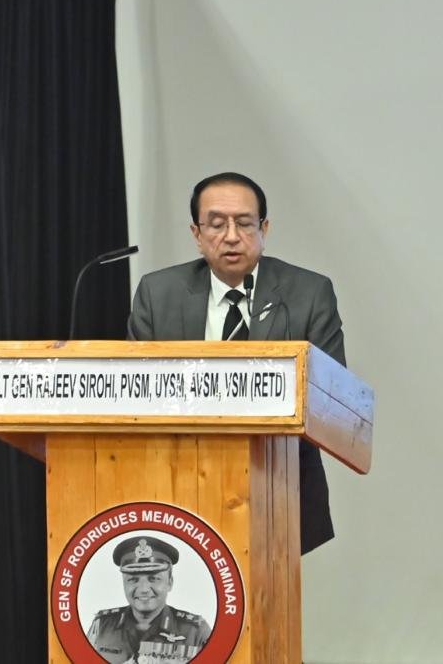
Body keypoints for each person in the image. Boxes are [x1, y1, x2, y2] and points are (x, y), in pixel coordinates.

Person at [127, 172, 341, 553]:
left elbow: (332, 399)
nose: (230, 236)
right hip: (179, 485)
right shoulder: (158, 294)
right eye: (216, 224)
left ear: (264, 229)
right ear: (196, 233)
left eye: (244, 223)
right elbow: (134, 395)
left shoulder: (308, 293)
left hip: (279, 486)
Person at [87, 536, 212, 664]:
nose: (143, 589)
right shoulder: (101, 626)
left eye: (154, 579)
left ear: (170, 582)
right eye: (133, 579)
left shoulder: (195, 632)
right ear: (124, 583)